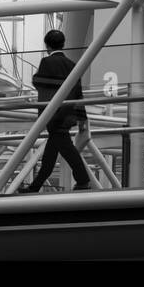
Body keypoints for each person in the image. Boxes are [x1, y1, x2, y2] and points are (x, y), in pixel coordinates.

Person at [18, 29, 91, 193]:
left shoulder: (46, 62)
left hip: (52, 114)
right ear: (63, 44)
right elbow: (78, 92)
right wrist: (82, 118)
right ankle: (35, 186)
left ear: (47, 45)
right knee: (52, 152)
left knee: (65, 147)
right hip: (68, 112)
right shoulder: (72, 65)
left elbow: (38, 82)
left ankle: (83, 180)